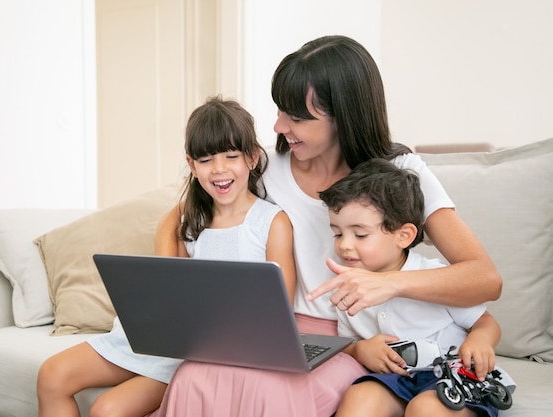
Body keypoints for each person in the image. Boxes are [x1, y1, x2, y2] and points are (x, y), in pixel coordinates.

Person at [151, 35, 502, 417]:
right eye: (279, 110)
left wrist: (388, 282)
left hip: (349, 337)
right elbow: (186, 211)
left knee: (274, 391)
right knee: (194, 377)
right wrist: (171, 288)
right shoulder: (264, 168)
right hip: (283, 333)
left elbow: (485, 279)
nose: (278, 125)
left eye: (297, 117)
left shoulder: (400, 174)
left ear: (344, 116)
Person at [36, 96, 295, 417]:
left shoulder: (271, 222)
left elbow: (281, 310)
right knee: (51, 375)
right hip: (162, 339)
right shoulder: (193, 221)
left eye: (231, 156)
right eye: (206, 160)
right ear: (191, 165)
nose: (219, 169)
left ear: (253, 158)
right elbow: (173, 286)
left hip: (201, 353)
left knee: (107, 409)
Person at [319, 158, 502, 417]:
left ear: (403, 235)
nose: (344, 245)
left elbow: (485, 322)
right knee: (360, 397)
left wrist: (480, 340)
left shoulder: (434, 277)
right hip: (396, 379)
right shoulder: (348, 285)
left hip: (454, 378)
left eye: (360, 235)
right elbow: (348, 339)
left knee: (426, 409)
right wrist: (360, 348)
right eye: (338, 234)